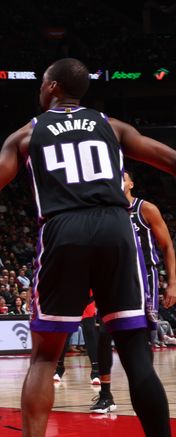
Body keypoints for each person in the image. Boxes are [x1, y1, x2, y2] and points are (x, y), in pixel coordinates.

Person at [0, 58, 176, 436]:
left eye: (43, 83)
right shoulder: (111, 126)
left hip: (64, 229)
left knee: (45, 357)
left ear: (55, 87)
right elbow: (169, 159)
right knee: (136, 355)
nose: (40, 90)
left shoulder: (26, 135)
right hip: (115, 227)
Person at [90, 171, 176, 415]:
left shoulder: (145, 209)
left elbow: (167, 246)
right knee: (104, 334)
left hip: (144, 278)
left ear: (131, 183)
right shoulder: (105, 212)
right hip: (113, 278)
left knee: (140, 340)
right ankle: (106, 395)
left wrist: (173, 283)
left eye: (122, 176)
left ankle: (143, 390)